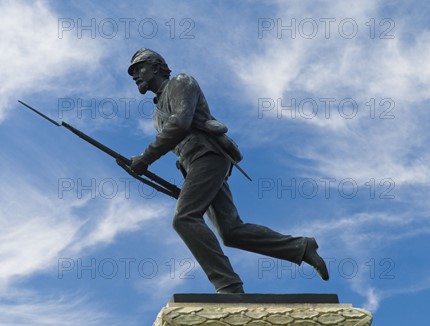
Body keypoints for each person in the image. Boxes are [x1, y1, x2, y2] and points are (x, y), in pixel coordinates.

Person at [127, 48, 329, 293]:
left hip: (208, 156)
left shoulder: (181, 82)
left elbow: (180, 124)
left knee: (184, 218)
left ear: (156, 67)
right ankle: (301, 247)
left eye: (139, 69)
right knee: (230, 231)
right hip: (195, 165)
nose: (135, 75)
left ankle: (228, 285)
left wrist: (145, 159)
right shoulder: (155, 115)